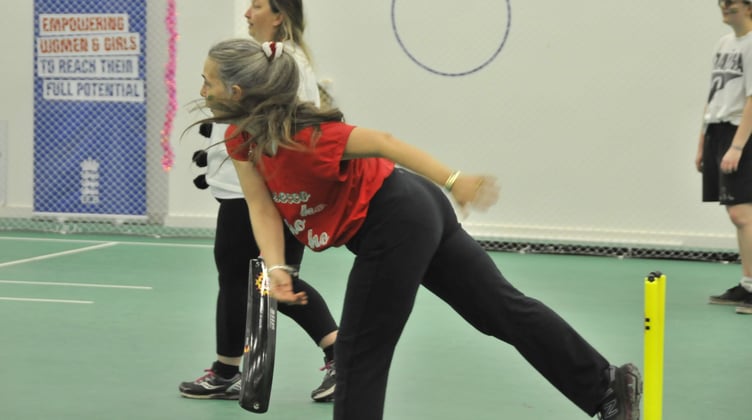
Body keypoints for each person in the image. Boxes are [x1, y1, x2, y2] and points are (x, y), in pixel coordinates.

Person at [197, 37, 643, 420]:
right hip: (410, 210)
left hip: (395, 218)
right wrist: (277, 267)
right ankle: (607, 386)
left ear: (236, 91)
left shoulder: (310, 135)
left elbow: (385, 143)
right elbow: (261, 206)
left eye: (208, 80)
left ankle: (604, 388)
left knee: (359, 351)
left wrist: (455, 181)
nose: (202, 89)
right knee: (499, 310)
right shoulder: (242, 139)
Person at [179, 0, 339, 402]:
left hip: (260, 195)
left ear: (279, 16)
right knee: (240, 281)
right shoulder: (270, 61)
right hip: (243, 191)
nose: (248, 13)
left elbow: (295, 129)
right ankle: (226, 368)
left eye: (256, 6)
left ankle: (341, 354)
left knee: (269, 282)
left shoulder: (285, 62)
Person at [695, 0, 752, 316]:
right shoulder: (724, 43)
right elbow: (714, 93)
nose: (725, 5)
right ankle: (747, 284)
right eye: (722, 0)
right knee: (739, 215)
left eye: (732, 0)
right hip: (718, 131)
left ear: (749, 6)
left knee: (742, 213)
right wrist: (702, 141)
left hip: (740, 133)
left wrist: (737, 146)